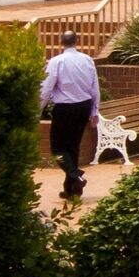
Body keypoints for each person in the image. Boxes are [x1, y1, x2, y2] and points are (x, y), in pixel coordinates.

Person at [41, 31, 100, 200]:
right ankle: (72, 190)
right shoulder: (87, 60)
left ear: (61, 42)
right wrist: (94, 111)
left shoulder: (56, 61)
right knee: (73, 147)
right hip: (83, 106)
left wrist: (38, 108)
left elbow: (47, 88)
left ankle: (76, 176)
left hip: (65, 108)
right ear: (77, 41)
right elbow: (94, 87)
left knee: (58, 148)